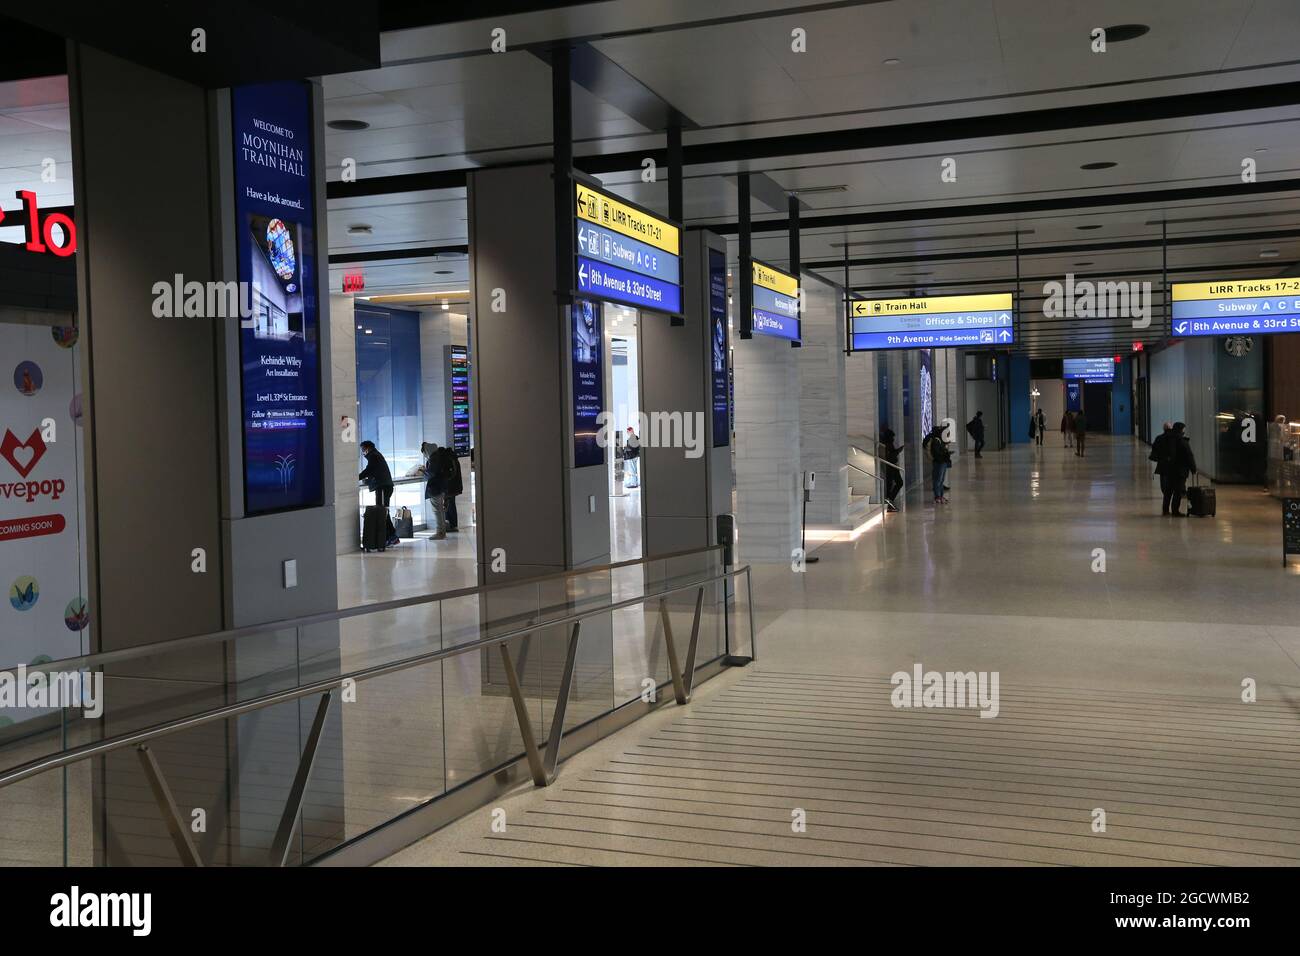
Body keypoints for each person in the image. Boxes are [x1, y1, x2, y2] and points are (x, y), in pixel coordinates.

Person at [359, 440, 399, 547]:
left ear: (367, 448)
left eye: (363, 449)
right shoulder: (376, 455)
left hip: (382, 487)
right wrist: (368, 480)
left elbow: (369, 470)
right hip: (384, 486)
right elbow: (376, 471)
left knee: (382, 512)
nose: (362, 452)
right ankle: (389, 537)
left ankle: (392, 536)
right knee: (383, 511)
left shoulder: (373, 456)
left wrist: (356, 477)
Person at [1166, 422, 1198, 516]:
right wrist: (1193, 469)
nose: (1184, 431)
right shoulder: (1182, 442)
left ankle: (1165, 509)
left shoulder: (1168, 440)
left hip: (1169, 470)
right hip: (1180, 471)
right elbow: (1189, 456)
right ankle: (1175, 511)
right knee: (1178, 491)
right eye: (1183, 429)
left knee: (1169, 490)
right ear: (1180, 430)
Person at [419, 441, 448, 539]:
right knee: (440, 510)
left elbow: (431, 474)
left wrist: (423, 471)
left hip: (436, 488)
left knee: (437, 511)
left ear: (426, 451)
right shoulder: (439, 456)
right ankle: (442, 532)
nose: (425, 456)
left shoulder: (434, 459)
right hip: (441, 487)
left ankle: (440, 533)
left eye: (424, 453)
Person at [1149, 421, 1175, 514]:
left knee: (1164, 483)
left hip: (1162, 464)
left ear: (1163, 429)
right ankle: (1174, 507)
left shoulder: (1159, 438)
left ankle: (1166, 503)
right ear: (1171, 428)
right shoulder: (1175, 438)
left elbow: (1154, 450)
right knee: (1173, 483)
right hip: (1173, 465)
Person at [878, 428, 904, 511]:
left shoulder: (888, 443)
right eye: (892, 437)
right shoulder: (887, 444)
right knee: (896, 483)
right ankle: (889, 501)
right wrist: (898, 451)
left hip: (892, 466)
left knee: (894, 483)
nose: (893, 438)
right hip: (890, 466)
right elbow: (890, 456)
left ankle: (889, 501)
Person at [925, 424, 952, 504]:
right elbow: (937, 453)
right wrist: (945, 454)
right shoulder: (936, 441)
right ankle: (937, 496)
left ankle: (940, 496)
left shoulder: (940, 441)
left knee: (941, 480)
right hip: (939, 463)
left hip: (942, 462)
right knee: (938, 480)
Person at [442, 446, 464, 532]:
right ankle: (451, 525)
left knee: (450, 505)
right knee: (450, 504)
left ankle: (452, 525)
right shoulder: (454, 459)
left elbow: (450, 475)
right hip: (454, 486)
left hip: (450, 487)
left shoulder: (449, 460)